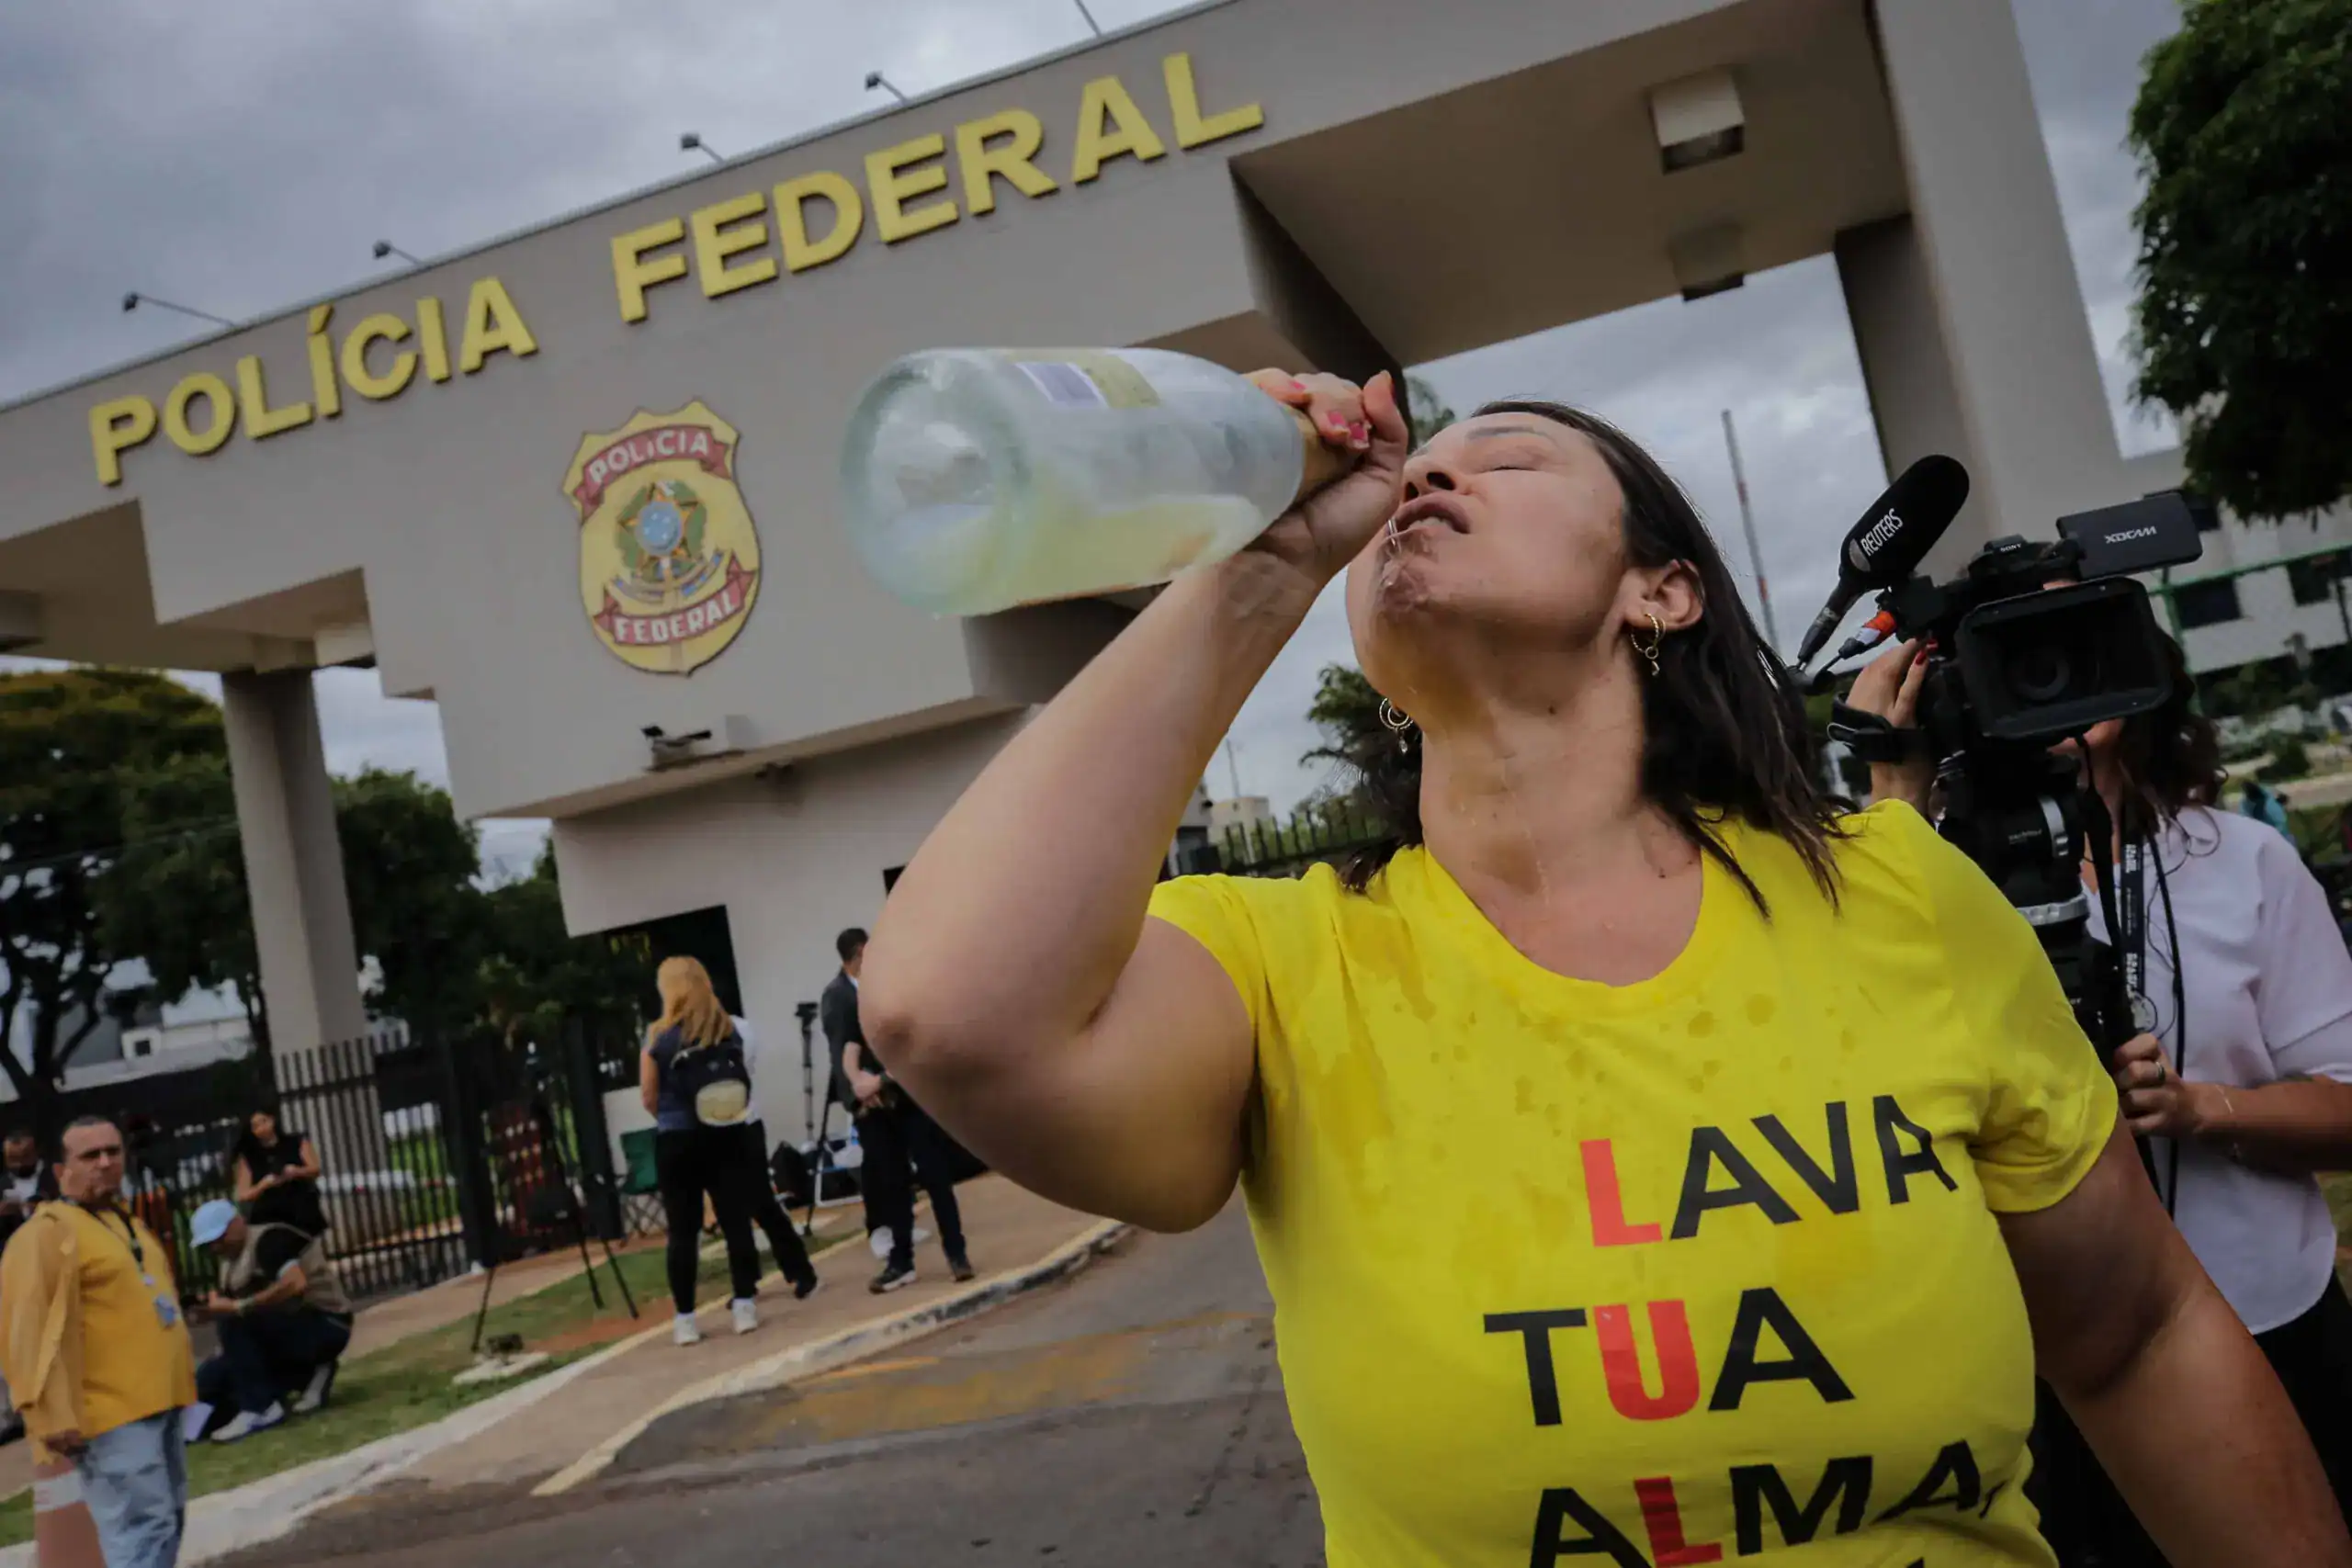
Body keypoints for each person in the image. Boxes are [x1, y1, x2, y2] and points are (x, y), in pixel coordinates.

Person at [859, 367, 2352, 1566]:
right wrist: (1259, 569)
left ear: (1664, 590)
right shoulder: (1281, 958)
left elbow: (2135, 1331)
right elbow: (949, 1011)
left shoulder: (1897, 890)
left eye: (1505, 457)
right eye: (1415, 476)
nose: (1425, 479)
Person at [1851, 628, 2352, 1559]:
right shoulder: (1913, 888)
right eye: (2010, 649)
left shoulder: (2245, 862)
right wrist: (1894, 798)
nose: (2041, 671)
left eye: (2065, 639)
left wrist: (2200, 1110)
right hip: (2034, 1374)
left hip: (2269, 1326)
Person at [0, 1116, 198, 1568]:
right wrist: (49, 1413)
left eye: (113, 1152)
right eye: (90, 1155)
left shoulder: (124, 1222)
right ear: (60, 1170)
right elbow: (25, 1330)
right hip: (109, 1415)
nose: (105, 1163)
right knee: (142, 1530)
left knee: (165, 1523)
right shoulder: (48, 1233)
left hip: (161, 1401)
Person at [826, 927, 972, 1293]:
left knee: (935, 1177)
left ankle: (957, 1254)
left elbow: (916, 1045)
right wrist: (858, 1084)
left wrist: (879, 1081)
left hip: (909, 1097)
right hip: (876, 1107)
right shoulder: (848, 998)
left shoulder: (898, 991)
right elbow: (846, 1047)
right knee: (893, 1184)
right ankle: (901, 1261)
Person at [640, 955, 772, 1344]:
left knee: (683, 1231)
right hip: (726, 1133)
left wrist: (669, 1115)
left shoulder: (658, 1037)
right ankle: (744, 1305)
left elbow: (648, 1095)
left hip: (677, 1140)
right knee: (735, 1222)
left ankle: (685, 1319)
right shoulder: (726, 1030)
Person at [187, 1199, 352, 1443]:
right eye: (208, 1245)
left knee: (234, 1321)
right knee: (211, 1378)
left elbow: (295, 1283)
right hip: (284, 1336)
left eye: (219, 1238)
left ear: (237, 1223)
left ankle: (261, 1407)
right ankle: (189, 1431)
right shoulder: (229, 1265)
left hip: (326, 1323)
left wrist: (237, 1307)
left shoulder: (269, 1239)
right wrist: (211, 1312)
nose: (216, 1248)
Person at [726, 1010, 821, 1303]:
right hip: (713, 1130)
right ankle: (744, 1283)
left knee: (761, 1201)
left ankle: (800, 1270)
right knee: (731, 1210)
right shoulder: (685, 1034)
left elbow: (742, 1071)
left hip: (744, 1123)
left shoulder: (738, 1028)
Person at [0, 1127, 58, 1447]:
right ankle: (15, 1415)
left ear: (35, 1153)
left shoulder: (54, 1177)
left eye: (24, 1157)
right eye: (13, 1159)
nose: (19, 1164)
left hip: (50, 1264)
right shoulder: (2, 1185)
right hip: (10, 1268)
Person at [230, 1107, 327, 1239]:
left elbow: (315, 1169)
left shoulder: (296, 1142)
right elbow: (243, 1194)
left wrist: (296, 1171)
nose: (262, 1128)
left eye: (264, 1121)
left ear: (272, 1120)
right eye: (256, 1126)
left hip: (302, 1211)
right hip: (271, 1216)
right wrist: (263, 1185)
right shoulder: (249, 1157)